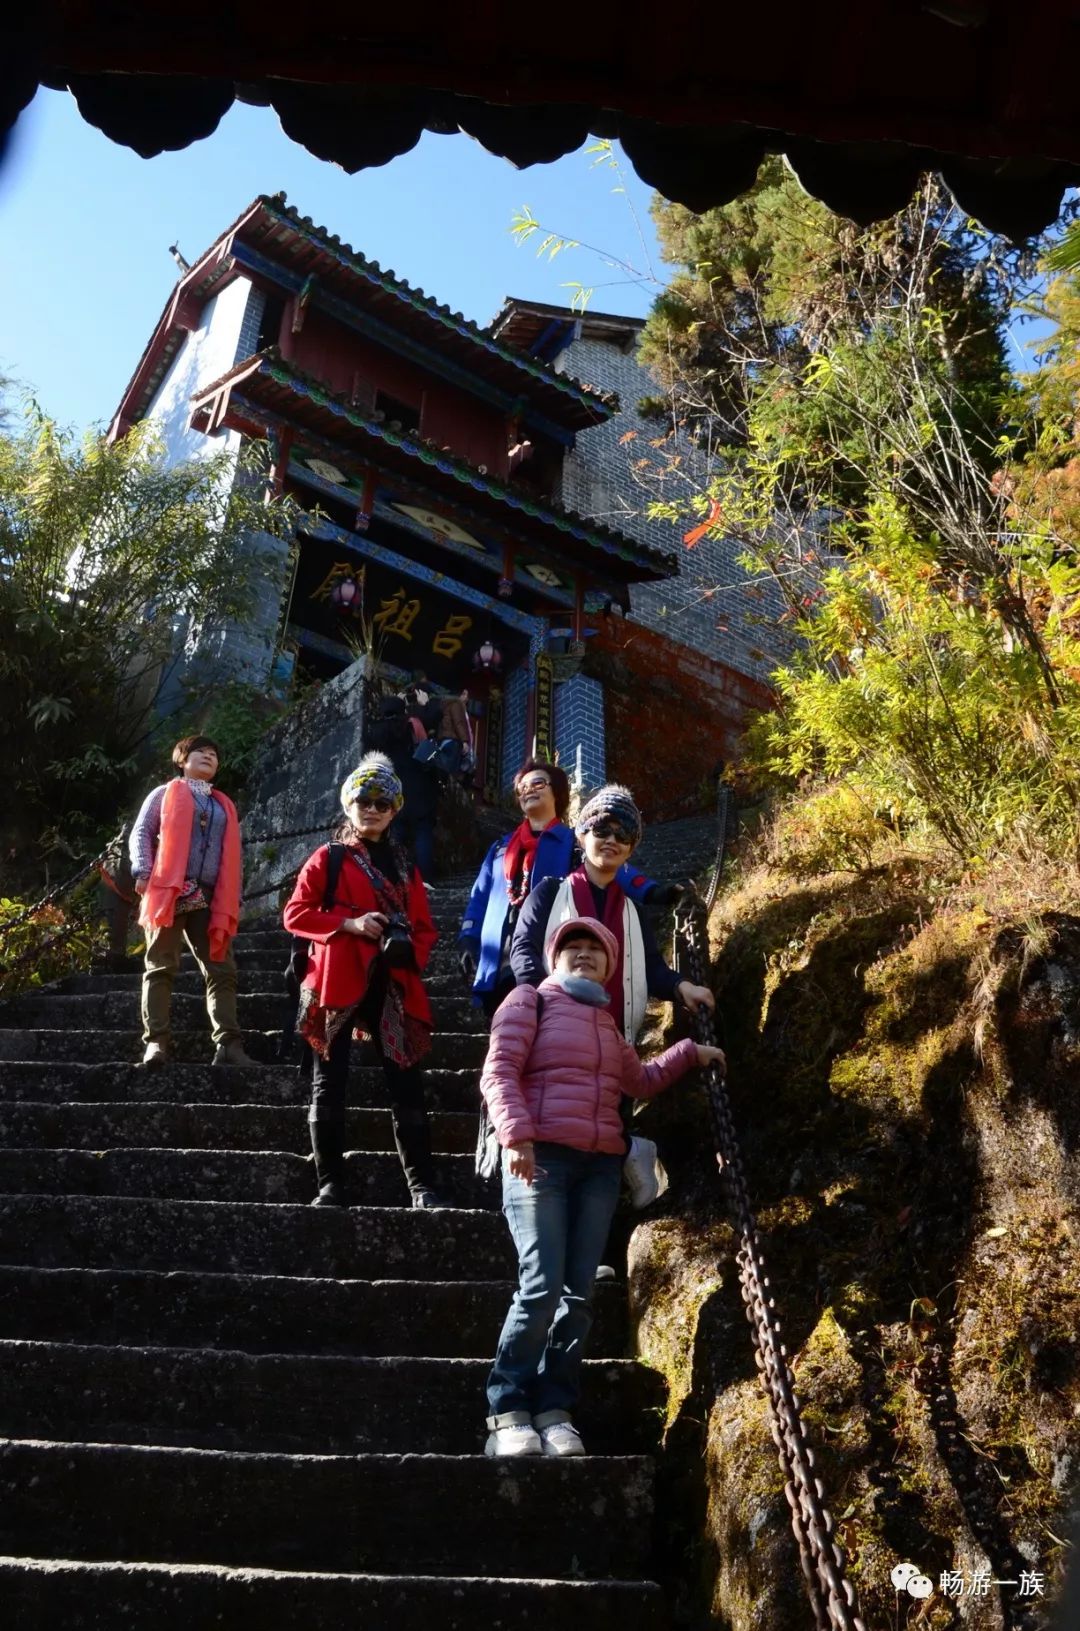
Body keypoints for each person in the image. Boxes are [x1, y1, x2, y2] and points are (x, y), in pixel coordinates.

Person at [480, 917, 725, 1457]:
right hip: (539, 1158)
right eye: (573, 947)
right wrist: (516, 1136)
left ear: (611, 966)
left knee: (579, 1295)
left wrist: (688, 1052)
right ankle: (507, 1409)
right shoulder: (528, 1001)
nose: (585, 954)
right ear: (553, 958)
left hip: (597, 1170)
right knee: (541, 1285)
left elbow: (639, 1081)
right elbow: (498, 1070)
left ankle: (554, 1409)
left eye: (596, 949)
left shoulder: (607, 1025)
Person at [283, 751, 445, 1209]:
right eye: (362, 800)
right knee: (328, 1082)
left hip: (393, 984)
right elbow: (295, 913)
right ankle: (330, 1183)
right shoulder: (328, 857)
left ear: (394, 810)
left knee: (407, 1084)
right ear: (347, 805)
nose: (371, 808)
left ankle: (421, 1186)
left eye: (381, 802)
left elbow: (426, 928)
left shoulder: (404, 865)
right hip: (335, 980)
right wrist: (351, 925)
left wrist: (412, 951)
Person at [510, 782, 715, 1043]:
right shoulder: (549, 893)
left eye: (623, 834)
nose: (611, 840)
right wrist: (539, 1003)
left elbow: (650, 968)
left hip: (614, 1046)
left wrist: (682, 987)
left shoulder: (633, 912)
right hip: (552, 1035)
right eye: (602, 829)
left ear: (631, 848)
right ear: (582, 836)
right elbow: (524, 950)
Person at [458, 759, 660, 1019]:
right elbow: (479, 898)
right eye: (522, 787)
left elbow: (609, 868)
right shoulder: (499, 847)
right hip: (499, 957)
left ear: (558, 791)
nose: (528, 790)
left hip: (545, 954)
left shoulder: (574, 841)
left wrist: (652, 890)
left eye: (538, 783)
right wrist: (468, 938)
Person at [129, 734, 251, 1070]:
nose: (210, 757)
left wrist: (234, 894)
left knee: (222, 969)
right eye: (201, 752)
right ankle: (156, 1043)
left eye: (214, 754)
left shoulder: (223, 804)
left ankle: (228, 1044)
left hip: (211, 893)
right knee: (161, 965)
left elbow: (233, 854)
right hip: (170, 887)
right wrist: (142, 868)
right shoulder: (164, 793)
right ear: (182, 759)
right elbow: (141, 831)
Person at [364, 693, 440, 880]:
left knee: (394, 834)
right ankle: (425, 879)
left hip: (391, 788)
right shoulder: (411, 725)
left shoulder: (374, 731)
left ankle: (394, 878)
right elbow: (426, 741)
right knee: (423, 832)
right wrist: (422, 705)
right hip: (418, 785)